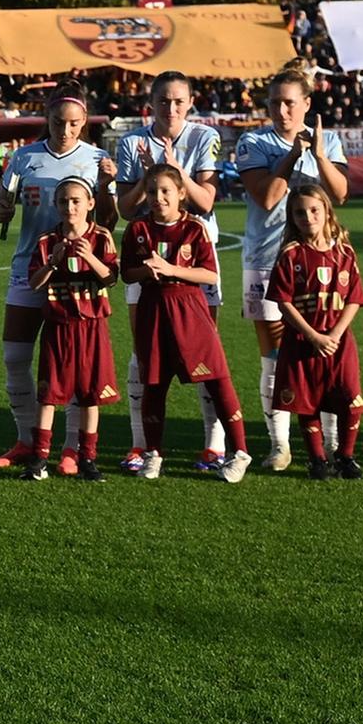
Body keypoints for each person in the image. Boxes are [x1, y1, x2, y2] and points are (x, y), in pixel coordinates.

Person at [0, 86, 108, 471]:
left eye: (74, 124)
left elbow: (108, 220)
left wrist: (107, 187)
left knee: (74, 365)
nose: (66, 130)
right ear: (47, 119)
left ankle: (72, 448)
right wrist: (0, 210)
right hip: (31, 265)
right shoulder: (24, 158)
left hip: (75, 277)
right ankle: (25, 439)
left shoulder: (97, 159)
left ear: (84, 121)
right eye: (58, 122)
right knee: (14, 356)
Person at [112, 75, 228, 474]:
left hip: (195, 253)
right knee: (143, 354)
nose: (171, 108)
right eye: (164, 101)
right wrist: (148, 182)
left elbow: (207, 202)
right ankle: (140, 444)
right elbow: (126, 209)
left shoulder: (203, 138)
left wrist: (177, 171)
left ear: (191, 102)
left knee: (205, 354)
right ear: (151, 101)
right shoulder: (131, 143)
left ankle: (214, 445)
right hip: (146, 254)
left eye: (179, 101)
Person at [229, 71, 343, 474]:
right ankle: (280, 445)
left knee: (322, 353)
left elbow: (341, 194)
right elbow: (266, 197)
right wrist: (294, 154)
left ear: (307, 104)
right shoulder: (253, 141)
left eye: (290, 102)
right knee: (274, 358)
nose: (281, 110)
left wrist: (321, 154)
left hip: (321, 262)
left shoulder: (329, 140)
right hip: (265, 260)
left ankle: (329, 444)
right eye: (274, 102)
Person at [119, 159, 245, 482]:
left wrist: (173, 270)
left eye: (165, 191)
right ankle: (153, 454)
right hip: (153, 310)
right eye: (151, 191)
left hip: (190, 309)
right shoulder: (138, 229)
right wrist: (147, 271)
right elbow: (126, 273)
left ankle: (240, 452)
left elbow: (210, 273)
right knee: (155, 383)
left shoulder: (195, 228)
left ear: (180, 194)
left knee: (217, 379)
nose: (158, 197)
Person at [264, 182, 363, 479]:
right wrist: (313, 336)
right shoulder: (291, 254)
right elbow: (283, 303)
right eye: (299, 213)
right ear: (292, 218)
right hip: (302, 340)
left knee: (351, 399)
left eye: (313, 210)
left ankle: (345, 456)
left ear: (327, 212)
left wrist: (333, 335)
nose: (307, 217)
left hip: (338, 341)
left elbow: (355, 299)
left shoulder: (344, 252)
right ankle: (317, 459)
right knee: (307, 401)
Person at [26, 173, 118, 479]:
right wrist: (53, 262)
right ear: (55, 205)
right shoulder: (47, 242)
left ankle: (87, 459)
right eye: (64, 201)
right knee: (49, 394)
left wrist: (90, 258)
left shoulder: (101, 237)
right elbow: (35, 283)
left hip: (92, 325)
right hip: (59, 325)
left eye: (76, 201)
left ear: (90, 203)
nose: (70, 207)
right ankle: (39, 459)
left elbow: (111, 278)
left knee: (91, 394)